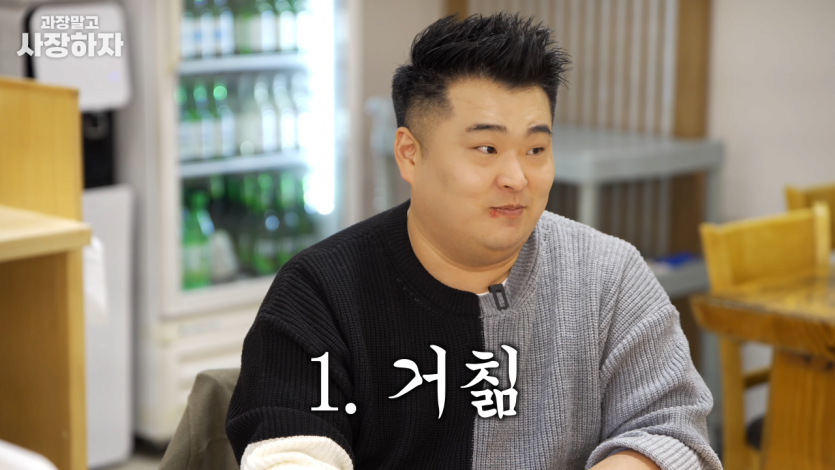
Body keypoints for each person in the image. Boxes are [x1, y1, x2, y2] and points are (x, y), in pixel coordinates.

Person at [226, 12, 722, 470]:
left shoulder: (610, 276)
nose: (517, 177)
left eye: (536, 149)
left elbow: (673, 432)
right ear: (410, 154)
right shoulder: (319, 292)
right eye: (486, 148)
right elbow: (289, 454)